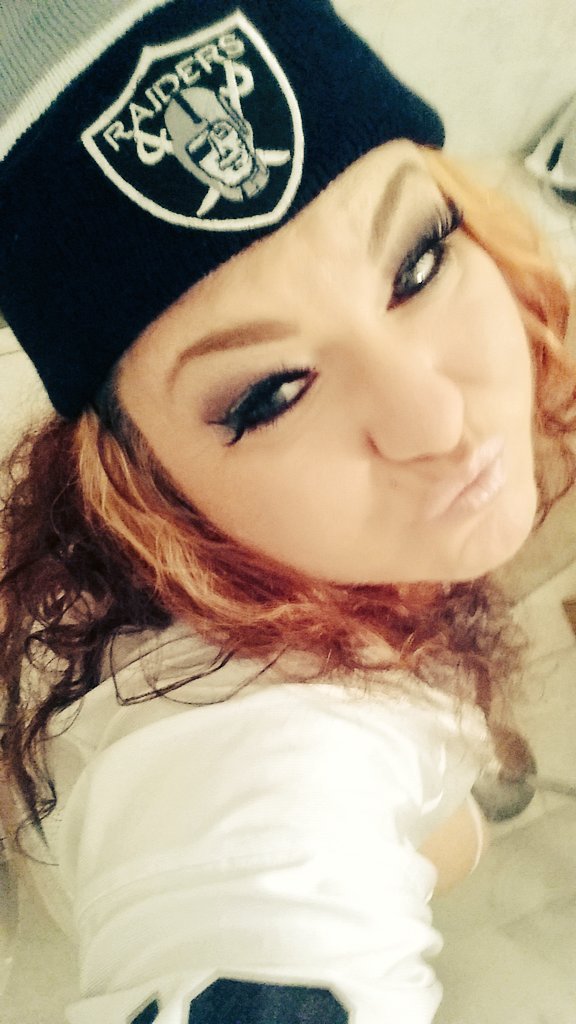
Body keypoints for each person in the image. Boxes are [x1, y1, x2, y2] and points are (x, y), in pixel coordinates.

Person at [0, 1, 575, 1022]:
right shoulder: (239, 759)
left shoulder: (319, 524)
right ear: (135, 475)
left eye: (420, 261)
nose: (437, 421)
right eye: (273, 393)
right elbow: (244, 902)